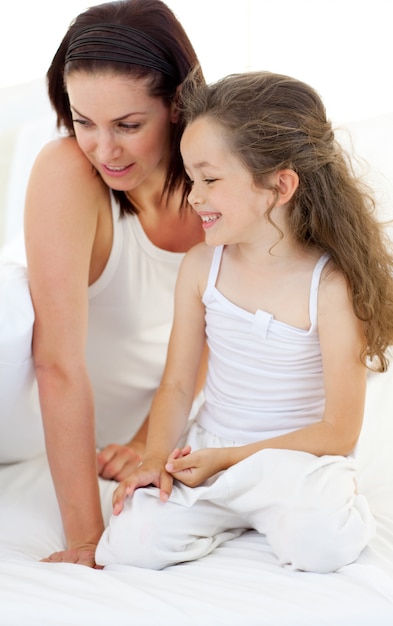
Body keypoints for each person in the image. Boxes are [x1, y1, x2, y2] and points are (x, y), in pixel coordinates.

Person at [96, 71, 393, 573]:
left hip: (295, 461)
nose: (193, 196)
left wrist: (234, 461)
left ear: (280, 185)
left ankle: (322, 502)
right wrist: (154, 461)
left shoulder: (330, 285)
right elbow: (176, 384)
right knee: (132, 542)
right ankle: (232, 513)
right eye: (191, 178)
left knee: (321, 544)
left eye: (210, 179)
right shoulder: (200, 267)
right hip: (209, 449)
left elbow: (339, 431)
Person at [2, 0, 206, 568]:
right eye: (83, 120)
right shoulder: (69, 172)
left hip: (131, 418)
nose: (103, 150)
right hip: (24, 416)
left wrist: (147, 440)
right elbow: (56, 363)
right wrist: (89, 541)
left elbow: (219, 327)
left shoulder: (222, 180)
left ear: (177, 104)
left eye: (128, 125)